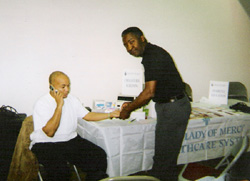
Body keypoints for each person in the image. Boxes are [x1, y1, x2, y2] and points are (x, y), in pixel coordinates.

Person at [120, 27, 191, 180]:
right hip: (170, 106)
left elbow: (149, 92)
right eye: (126, 45)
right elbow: (151, 90)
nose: (129, 48)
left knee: (164, 157)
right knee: (166, 155)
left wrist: (128, 110)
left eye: (131, 42)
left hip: (173, 108)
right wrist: (132, 104)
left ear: (142, 38)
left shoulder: (152, 56)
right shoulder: (151, 54)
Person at [29, 71, 120, 181]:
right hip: (46, 143)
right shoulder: (42, 103)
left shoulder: (72, 99)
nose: (67, 90)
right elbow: (50, 132)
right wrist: (59, 106)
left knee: (98, 156)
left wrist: (109, 115)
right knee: (60, 170)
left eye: (68, 86)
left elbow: (87, 115)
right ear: (51, 87)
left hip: (70, 140)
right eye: (63, 87)